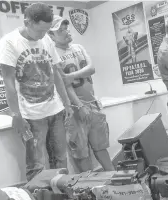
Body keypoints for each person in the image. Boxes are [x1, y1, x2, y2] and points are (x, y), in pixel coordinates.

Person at [0, 3, 73, 181]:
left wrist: (67, 103)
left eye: (46, 31)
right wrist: (16, 115)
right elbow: (7, 81)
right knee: (36, 165)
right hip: (31, 116)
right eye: (39, 31)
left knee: (61, 161)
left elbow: (56, 74)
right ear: (27, 22)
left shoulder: (46, 39)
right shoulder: (9, 42)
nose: (43, 35)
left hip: (56, 110)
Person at [48, 15, 114, 172]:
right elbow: (63, 86)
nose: (66, 31)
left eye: (66, 28)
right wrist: (79, 105)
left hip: (93, 105)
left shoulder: (79, 47)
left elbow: (91, 68)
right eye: (61, 30)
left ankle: (114, 176)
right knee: (81, 153)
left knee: (100, 146)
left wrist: (70, 76)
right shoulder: (53, 54)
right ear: (51, 35)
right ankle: (89, 187)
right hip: (75, 110)